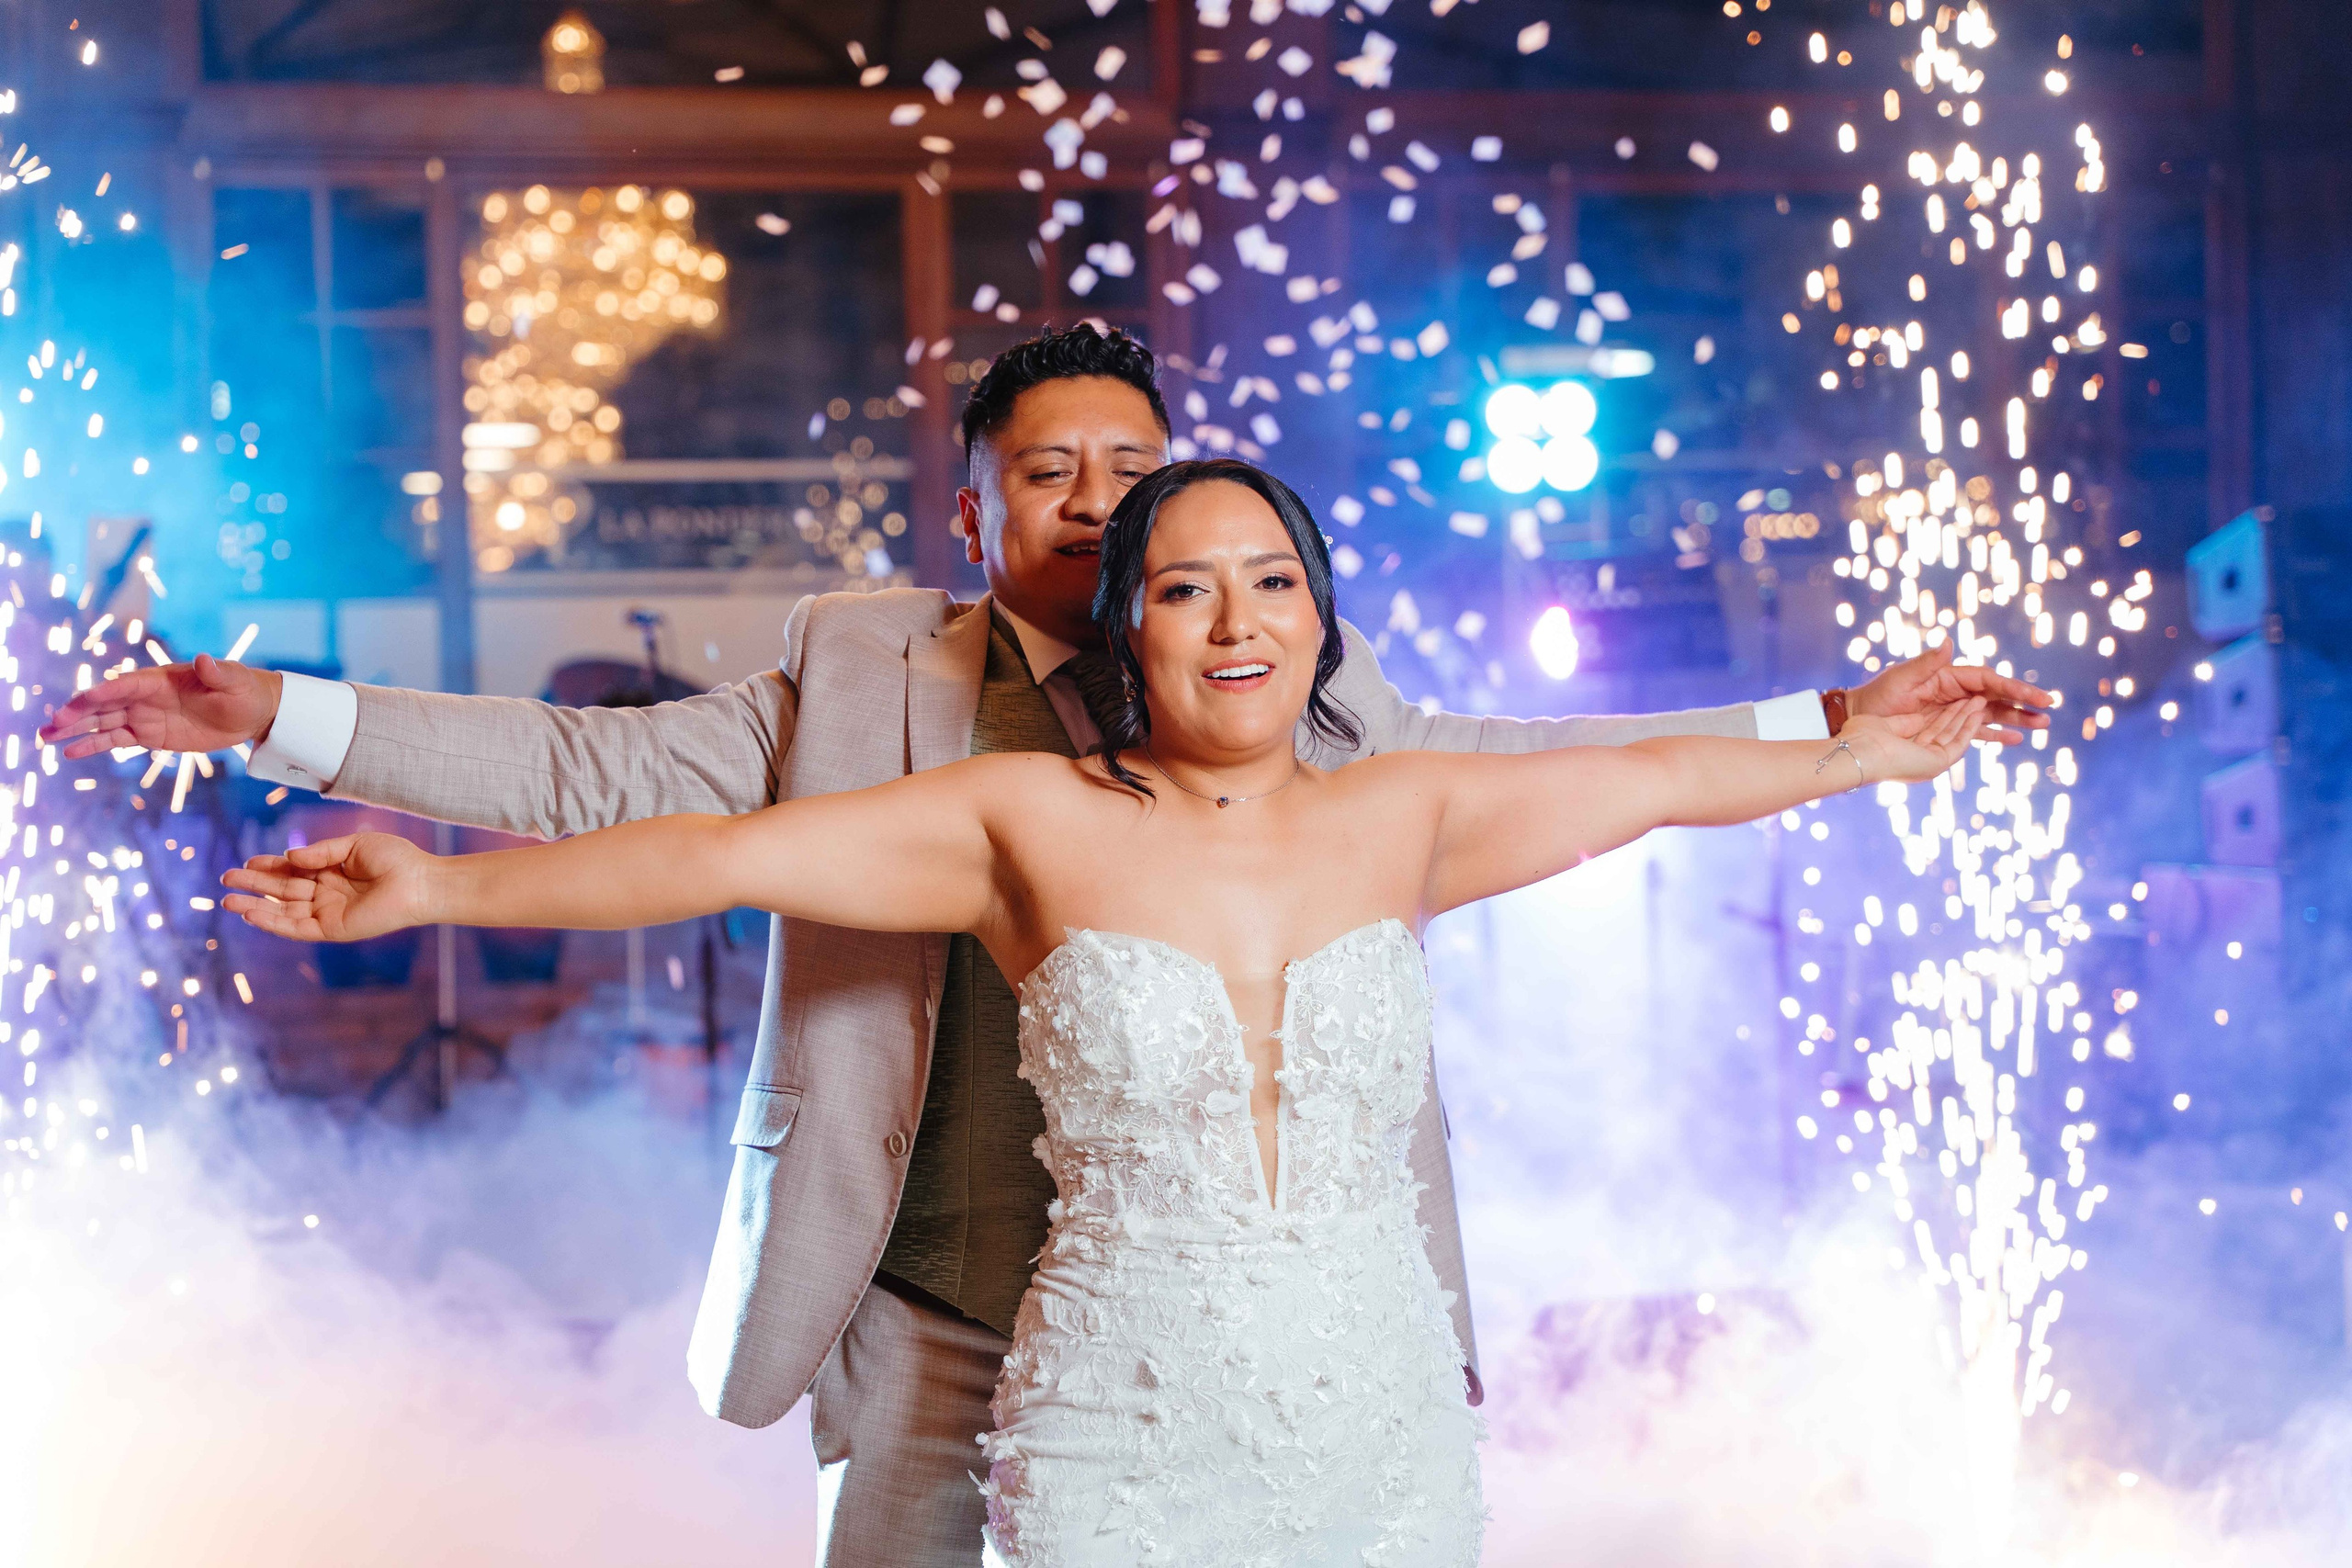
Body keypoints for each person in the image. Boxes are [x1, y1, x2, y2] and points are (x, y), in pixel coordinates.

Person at [42, 325, 2049, 1567]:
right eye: (1051, 475)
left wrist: (1841, 732)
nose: (1099, 506)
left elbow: (1593, 768)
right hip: (938, 1299)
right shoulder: (873, 682)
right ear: (981, 501)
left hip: (1308, 1348)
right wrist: (333, 761)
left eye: (1140, 478)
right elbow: (635, 797)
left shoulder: (1326, 717)